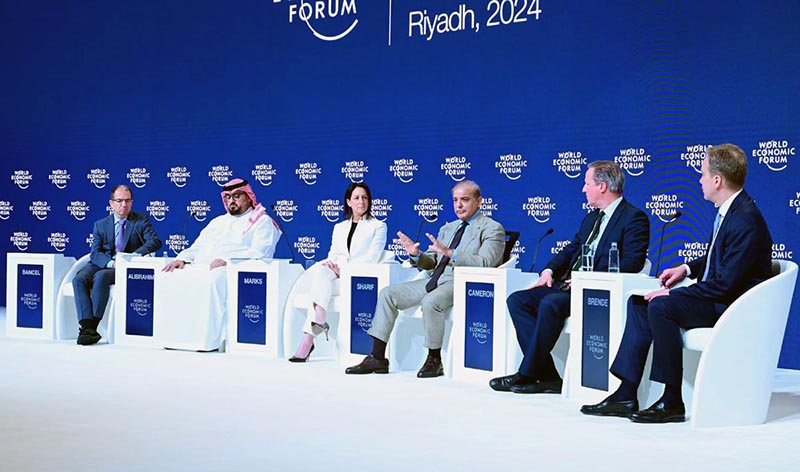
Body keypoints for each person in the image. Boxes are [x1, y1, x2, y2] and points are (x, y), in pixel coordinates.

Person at [581, 144, 773, 423]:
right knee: (639, 302)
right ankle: (626, 393)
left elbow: (726, 284)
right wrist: (685, 269)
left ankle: (672, 400)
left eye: (703, 174)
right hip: (721, 296)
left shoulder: (745, 219)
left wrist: (672, 293)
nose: (700, 180)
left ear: (717, 180)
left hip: (733, 306)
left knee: (662, 307)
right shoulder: (732, 211)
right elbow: (718, 257)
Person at [490, 161, 649, 394]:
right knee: (518, 300)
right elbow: (571, 249)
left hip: (598, 291)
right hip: (569, 285)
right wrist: (549, 271)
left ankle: (526, 373)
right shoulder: (591, 219)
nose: (583, 189)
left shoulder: (634, 218)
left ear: (602, 186)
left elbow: (633, 263)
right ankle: (548, 377)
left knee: (550, 303)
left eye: (586, 184)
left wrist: (591, 280)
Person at [345, 180, 505, 378]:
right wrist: (416, 255)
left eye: (464, 199)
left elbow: (486, 262)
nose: (458, 205)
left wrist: (450, 253)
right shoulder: (449, 228)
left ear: (479, 202)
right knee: (388, 294)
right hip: (434, 279)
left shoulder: (492, 228)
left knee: (431, 302)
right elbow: (432, 263)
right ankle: (377, 357)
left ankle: (434, 359)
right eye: (455, 200)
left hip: (462, 282)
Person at [161, 178, 281, 350]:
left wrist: (227, 262)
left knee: (213, 279)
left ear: (248, 197)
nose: (231, 200)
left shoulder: (262, 221)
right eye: (228, 197)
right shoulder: (218, 222)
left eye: (237, 196)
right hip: (201, 266)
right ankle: (177, 338)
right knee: (173, 274)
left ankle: (207, 341)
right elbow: (197, 246)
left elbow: (261, 254)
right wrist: (182, 259)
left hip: (232, 270)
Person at [288, 182, 388, 362]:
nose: (361, 202)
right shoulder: (339, 227)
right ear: (348, 202)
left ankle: (308, 339)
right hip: (337, 275)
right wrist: (332, 266)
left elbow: (372, 257)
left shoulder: (378, 226)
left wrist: (345, 271)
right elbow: (333, 254)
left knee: (319, 289)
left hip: (360, 279)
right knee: (321, 271)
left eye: (365, 198)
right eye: (356, 198)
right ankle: (318, 320)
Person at [73, 184, 162, 345]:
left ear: (132, 202)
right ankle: (87, 327)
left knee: (101, 277)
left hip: (125, 266)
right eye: (119, 201)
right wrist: (111, 263)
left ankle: (92, 326)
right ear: (111, 203)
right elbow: (95, 253)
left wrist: (132, 257)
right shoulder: (100, 225)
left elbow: (155, 241)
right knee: (78, 280)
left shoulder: (141, 221)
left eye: (127, 201)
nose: (123, 205)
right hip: (104, 262)